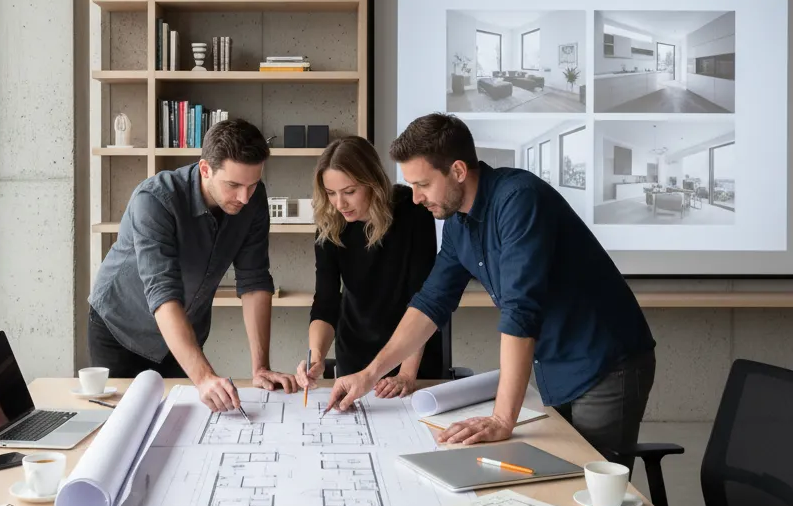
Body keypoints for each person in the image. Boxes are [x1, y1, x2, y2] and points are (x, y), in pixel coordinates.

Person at [327, 113, 656, 465]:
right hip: (556, 365)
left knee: (594, 491)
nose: (415, 198)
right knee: (557, 478)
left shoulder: (518, 200)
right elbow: (431, 302)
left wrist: (502, 419)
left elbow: (520, 310)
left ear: (457, 171)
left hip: (604, 363)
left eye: (422, 184)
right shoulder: (457, 222)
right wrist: (369, 374)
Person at [87, 118, 297, 411]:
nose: (244, 197)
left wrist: (260, 368)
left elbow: (255, 280)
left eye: (252, 184)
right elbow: (162, 293)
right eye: (233, 184)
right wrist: (204, 377)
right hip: (122, 328)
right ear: (205, 169)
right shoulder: (155, 200)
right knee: (123, 428)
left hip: (182, 334)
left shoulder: (253, 199)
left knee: (174, 426)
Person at [295, 137, 443, 398]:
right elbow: (326, 301)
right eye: (331, 193)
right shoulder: (330, 224)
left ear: (372, 182)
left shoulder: (412, 210)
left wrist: (407, 375)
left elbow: (422, 297)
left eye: (349, 192)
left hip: (413, 354)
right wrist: (316, 355)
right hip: (355, 354)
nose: (339, 204)